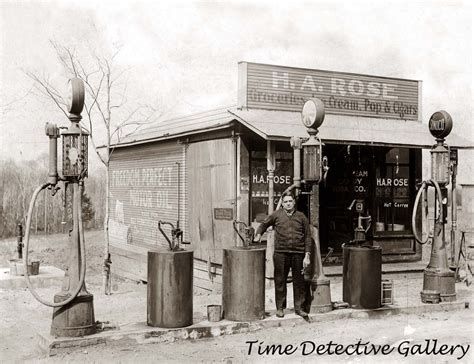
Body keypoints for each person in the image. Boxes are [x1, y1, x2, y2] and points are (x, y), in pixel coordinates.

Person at [254, 191, 312, 318]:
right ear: (282, 203)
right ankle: (280, 308)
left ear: (294, 202)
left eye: (290, 201)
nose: (288, 204)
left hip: (298, 253)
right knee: (280, 281)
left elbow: (308, 237)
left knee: (299, 282)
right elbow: (264, 224)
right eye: (285, 202)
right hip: (281, 253)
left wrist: (307, 255)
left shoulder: (301, 217)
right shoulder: (276, 215)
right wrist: (258, 234)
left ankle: (299, 308)